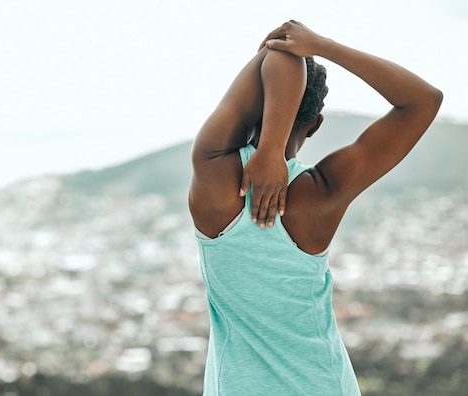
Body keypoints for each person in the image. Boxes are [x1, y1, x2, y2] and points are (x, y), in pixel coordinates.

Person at [188, 21, 442, 395]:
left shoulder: (213, 171)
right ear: (317, 125)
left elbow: (277, 53)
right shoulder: (321, 193)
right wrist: (323, 46)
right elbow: (424, 100)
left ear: (252, 104)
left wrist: (267, 148)